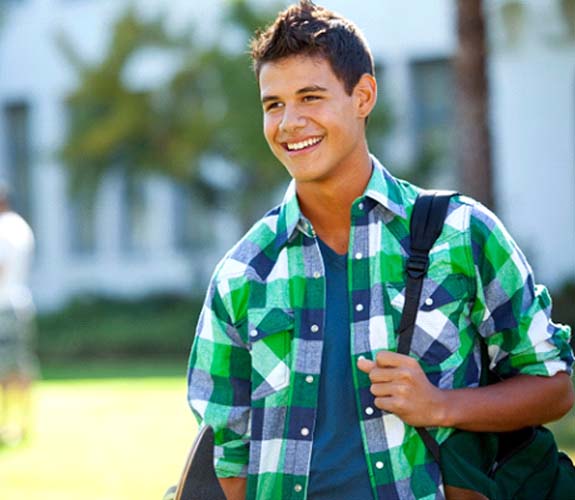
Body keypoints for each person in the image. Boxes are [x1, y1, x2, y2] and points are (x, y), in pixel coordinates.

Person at [187, 2, 574, 499]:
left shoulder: (461, 233)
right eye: (273, 104)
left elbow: (553, 387)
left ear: (363, 96)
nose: (289, 122)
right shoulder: (242, 273)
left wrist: (440, 406)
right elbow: (225, 458)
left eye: (310, 97)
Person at [0, 181, 37, 445]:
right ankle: (22, 425)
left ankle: (6, 425)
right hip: (21, 303)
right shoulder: (21, 227)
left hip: (4, 306)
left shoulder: (4, 229)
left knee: (6, 369)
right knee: (21, 366)